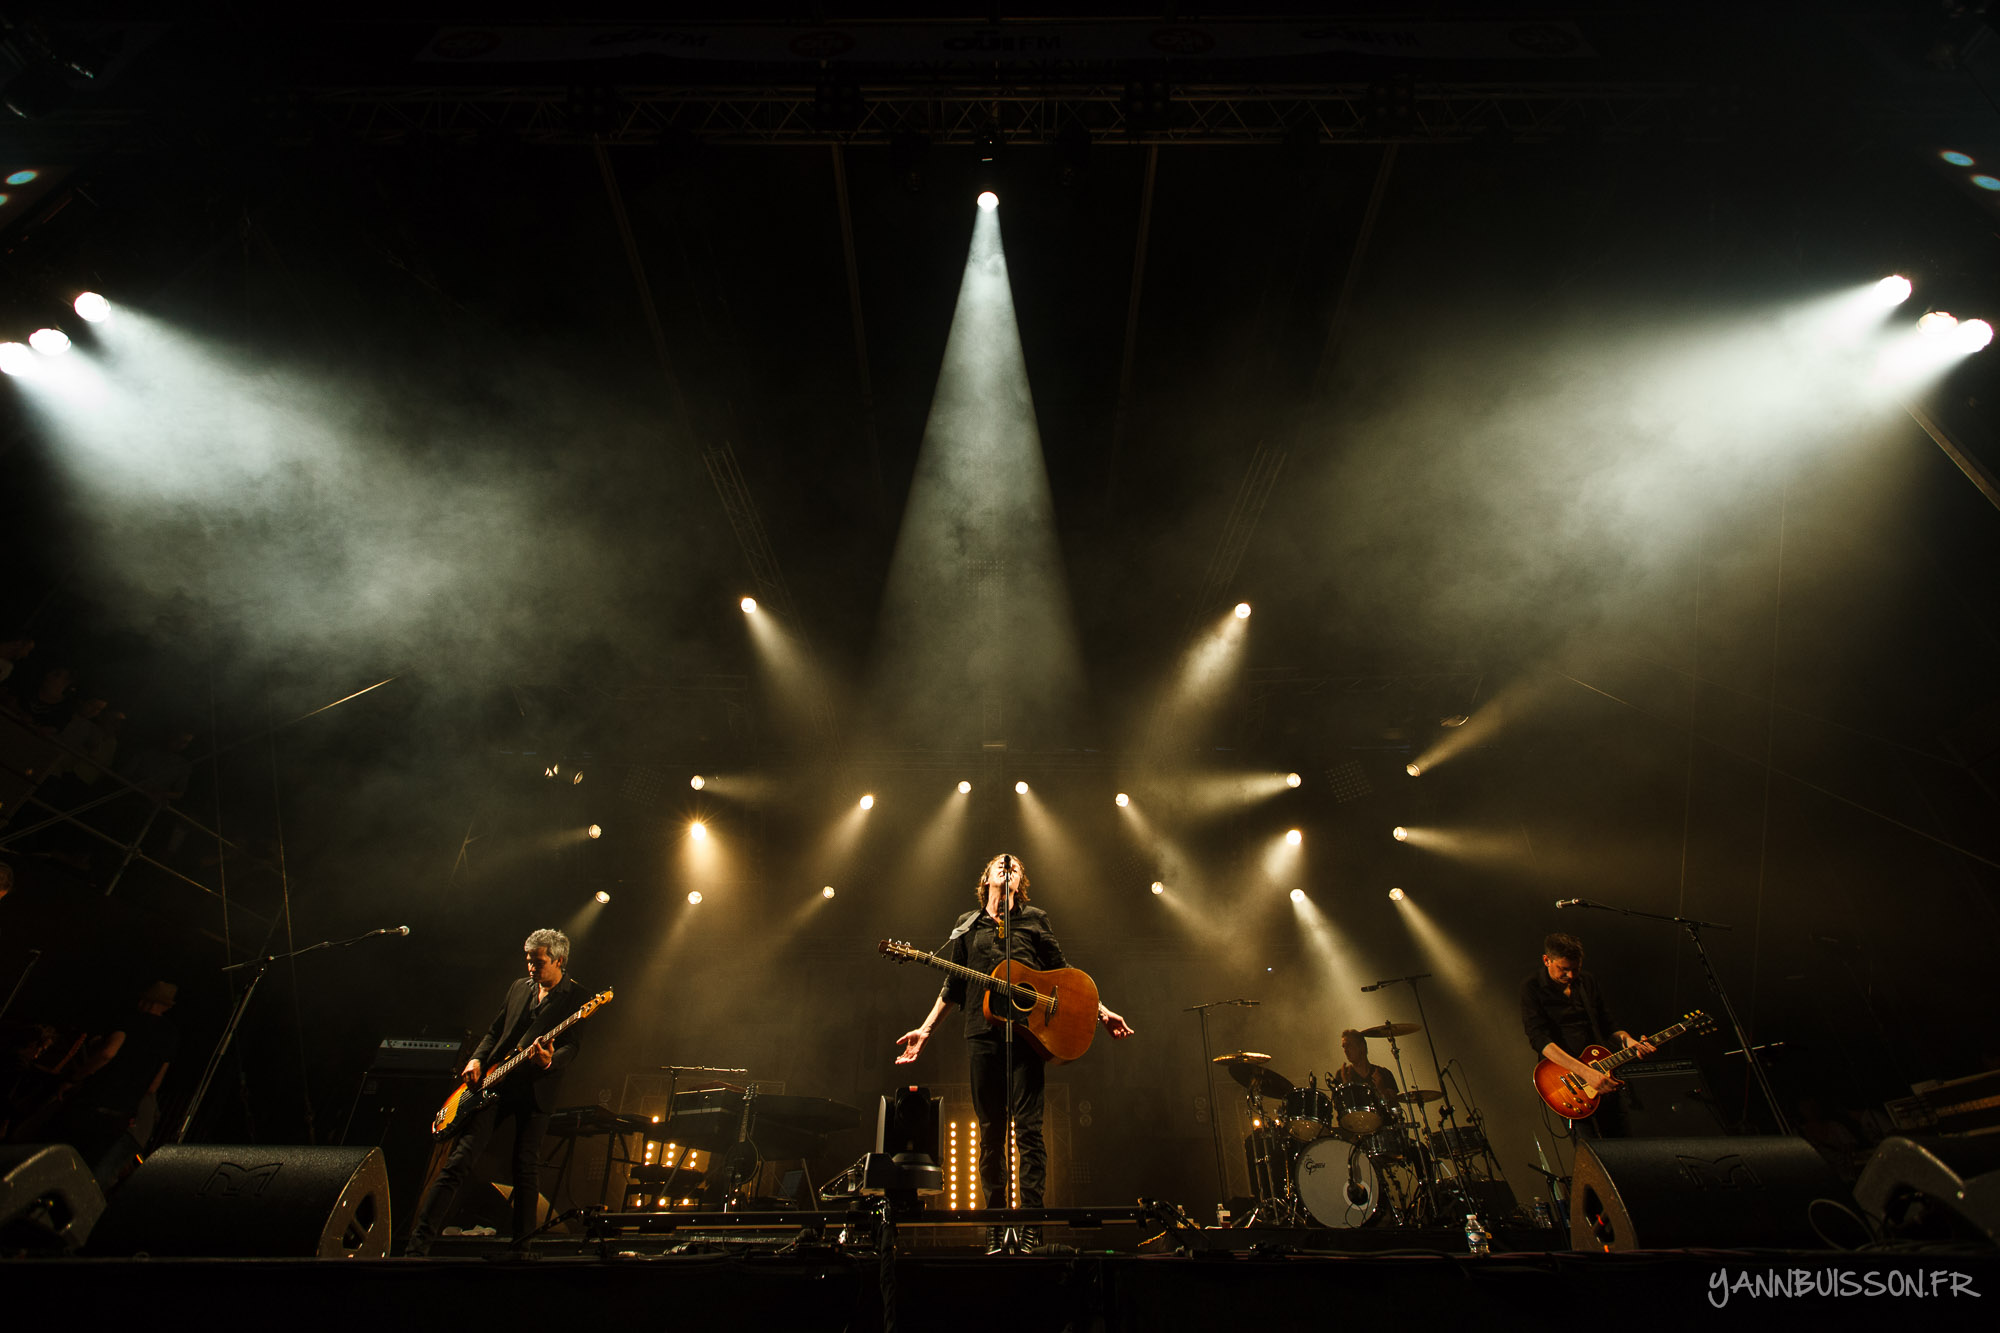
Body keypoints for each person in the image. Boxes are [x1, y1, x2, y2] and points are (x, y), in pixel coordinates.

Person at [895, 853, 1134, 1254]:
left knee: (1029, 1131)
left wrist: (1102, 1012)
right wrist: (925, 1030)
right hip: (981, 1032)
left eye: (1016, 867)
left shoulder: (1035, 919)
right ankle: (995, 1221)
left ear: (1020, 881)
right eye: (1000, 865)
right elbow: (953, 986)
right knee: (991, 1131)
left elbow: (1065, 975)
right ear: (986, 877)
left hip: (1029, 1037)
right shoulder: (967, 925)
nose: (1008, 868)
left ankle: (1032, 1225)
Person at [403, 929, 583, 1256]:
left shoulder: (577, 997)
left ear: (559, 960)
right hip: (495, 1084)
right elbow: (495, 1031)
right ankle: (417, 1246)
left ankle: (521, 1249)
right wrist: (475, 1059)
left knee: (525, 1168)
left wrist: (548, 1061)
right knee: (458, 1162)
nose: (531, 967)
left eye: (538, 962)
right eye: (528, 960)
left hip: (535, 1092)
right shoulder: (519, 987)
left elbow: (572, 1047)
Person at [1519, 932, 1654, 1138]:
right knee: (1589, 1148)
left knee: (1623, 1143)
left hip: (1603, 1070)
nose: (1571, 975)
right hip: (1566, 1080)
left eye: (1576, 969)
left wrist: (1629, 1042)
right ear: (1547, 960)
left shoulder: (1587, 981)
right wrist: (1585, 1072)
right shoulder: (1532, 987)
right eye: (1564, 969)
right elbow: (1539, 1039)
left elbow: (1607, 1024)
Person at [50, 981, 179, 1186]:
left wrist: (74, 1079)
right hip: (120, 1116)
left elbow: (108, 1053)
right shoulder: (170, 1035)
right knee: (85, 1173)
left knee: (55, 1160)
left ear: (144, 1000)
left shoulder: (130, 1019)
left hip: (92, 1103)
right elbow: (154, 1086)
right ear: (166, 1006)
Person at [1333, 1027, 1399, 1106]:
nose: (1345, 1050)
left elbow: (1395, 1106)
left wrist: (1382, 1090)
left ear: (1362, 1046)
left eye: (1349, 1045)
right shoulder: (1341, 1075)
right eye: (1344, 1047)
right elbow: (1340, 1107)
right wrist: (1346, 1085)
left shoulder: (1384, 1073)